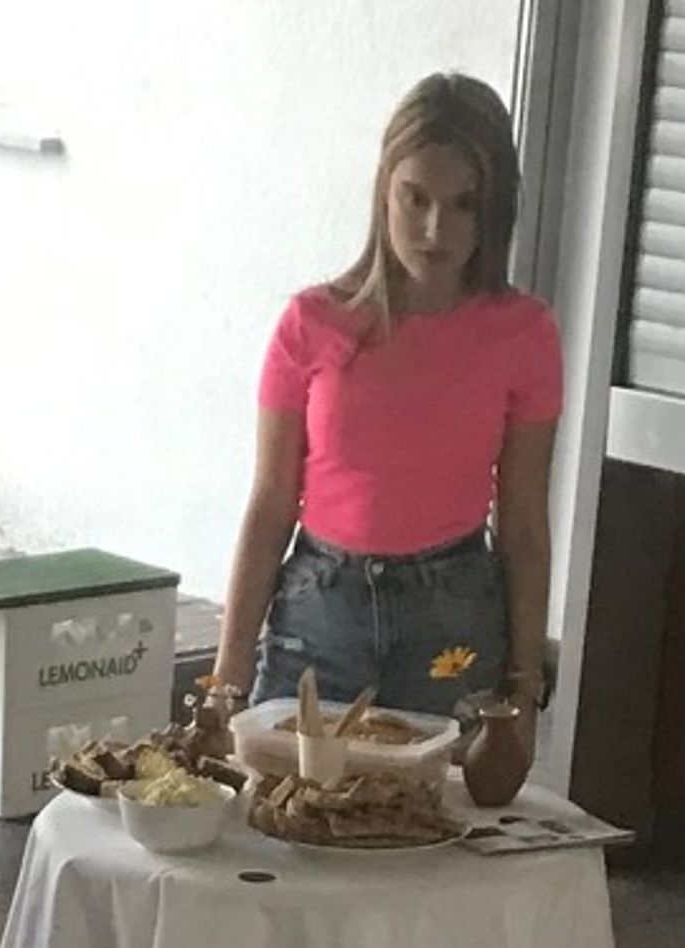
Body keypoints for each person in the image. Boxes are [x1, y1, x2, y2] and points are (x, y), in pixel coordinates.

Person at [210, 74, 560, 802]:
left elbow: (524, 524)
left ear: (495, 208)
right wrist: (225, 683)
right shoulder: (311, 324)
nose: (436, 230)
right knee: (285, 816)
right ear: (384, 191)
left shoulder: (523, 335)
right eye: (416, 198)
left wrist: (523, 690)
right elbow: (270, 503)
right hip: (321, 610)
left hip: (452, 615)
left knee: (430, 822)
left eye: (464, 204)